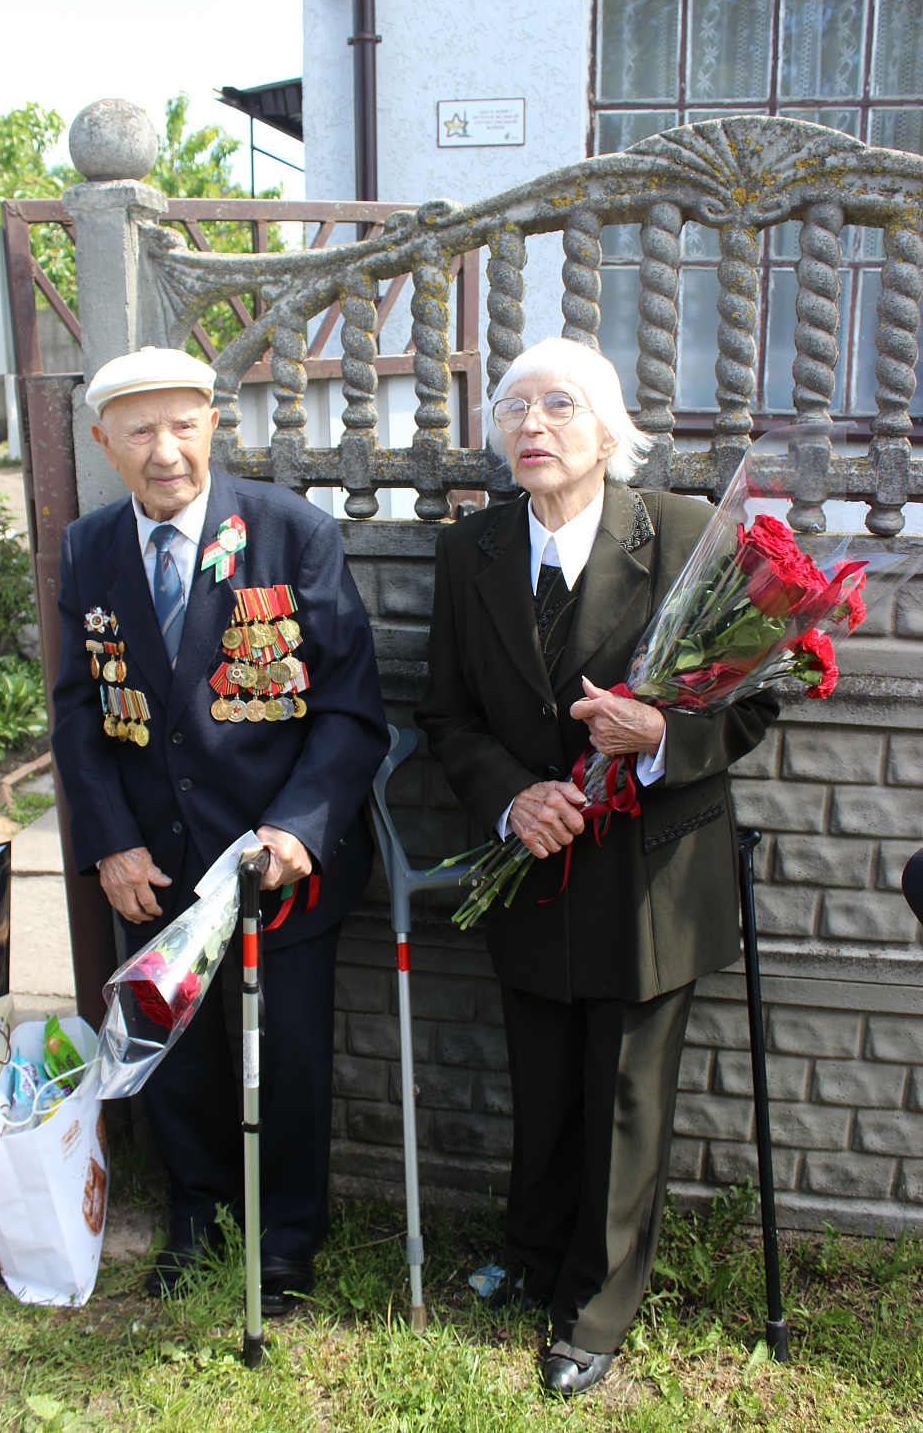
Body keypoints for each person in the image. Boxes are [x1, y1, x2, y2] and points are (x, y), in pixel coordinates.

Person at [416, 337, 778, 1396]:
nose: (531, 425)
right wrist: (508, 797)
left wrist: (655, 733)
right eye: (512, 407)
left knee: (622, 1092)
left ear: (610, 432)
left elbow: (752, 702)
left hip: (648, 873)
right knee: (540, 1077)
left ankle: (594, 1308)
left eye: (558, 405)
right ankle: (535, 1258)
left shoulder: (684, 536)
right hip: (534, 859)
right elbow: (447, 713)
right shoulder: (470, 550)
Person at [52, 346, 389, 1304]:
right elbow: (80, 713)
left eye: (184, 424)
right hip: (149, 863)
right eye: (141, 430)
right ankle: (198, 1216)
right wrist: (107, 841)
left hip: (273, 865)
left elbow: (350, 711)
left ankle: (285, 1238)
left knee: (285, 1057)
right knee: (179, 1056)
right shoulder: (90, 549)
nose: (167, 450)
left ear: (214, 423)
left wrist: (295, 830)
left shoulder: (292, 535)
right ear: (105, 444)